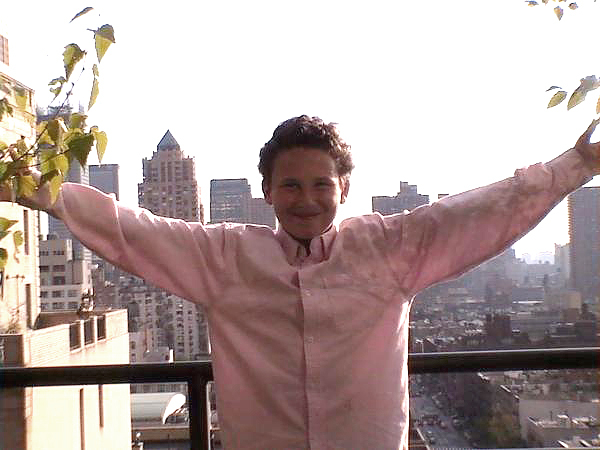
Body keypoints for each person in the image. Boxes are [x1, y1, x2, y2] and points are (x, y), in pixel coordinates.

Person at [10, 115, 600, 449]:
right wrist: (41, 191)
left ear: (344, 189)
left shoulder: (389, 247)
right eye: (290, 185)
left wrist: (574, 166)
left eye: (322, 184)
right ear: (267, 191)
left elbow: (480, 212)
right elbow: (131, 229)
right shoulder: (225, 256)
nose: (307, 199)